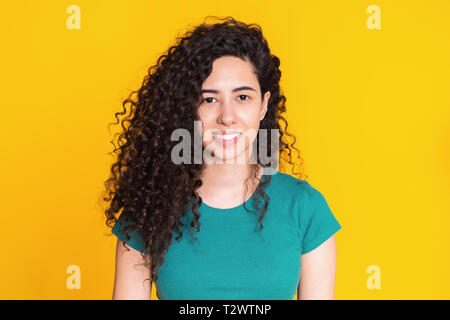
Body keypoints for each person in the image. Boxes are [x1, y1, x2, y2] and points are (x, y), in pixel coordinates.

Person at [102, 16, 342, 300]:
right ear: (188, 108)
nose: (227, 117)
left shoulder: (305, 208)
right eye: (209, 99)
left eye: (242, 98)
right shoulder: (148, 212)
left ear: (263, 105)